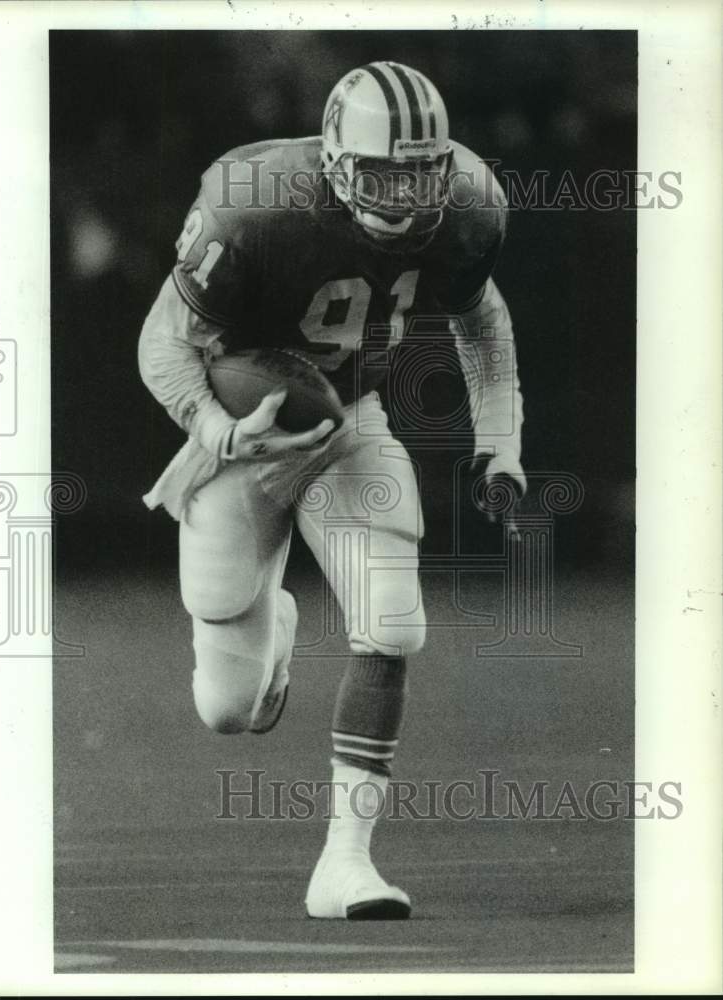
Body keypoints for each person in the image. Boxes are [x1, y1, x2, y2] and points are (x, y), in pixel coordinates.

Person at [138, 61, 525, 920]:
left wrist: (500, 440)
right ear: (336, 159)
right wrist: (210, 421)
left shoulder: (466, 205)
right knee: (227, 710)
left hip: (350, 418)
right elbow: (161, 341)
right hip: (246, 438)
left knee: (392, 623)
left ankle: (345, 864)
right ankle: (271, 628)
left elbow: (482, 320)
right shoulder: (255, 201)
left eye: (419, 172)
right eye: (382, 171)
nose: (404, 193)